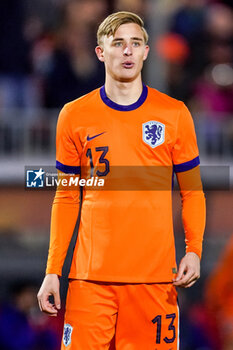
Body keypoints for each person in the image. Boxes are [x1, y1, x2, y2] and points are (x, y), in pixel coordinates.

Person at [37, 11, 206, 349]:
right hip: (90, 280)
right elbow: (67, 196)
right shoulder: (74, 115)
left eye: (136, 43)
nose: (127, 51)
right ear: (101, 52)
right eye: (118, 43)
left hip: (155, 281)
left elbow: (193, 192)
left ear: (146, 52)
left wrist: (194, 251)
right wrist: (53, 269)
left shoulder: (174, 114)